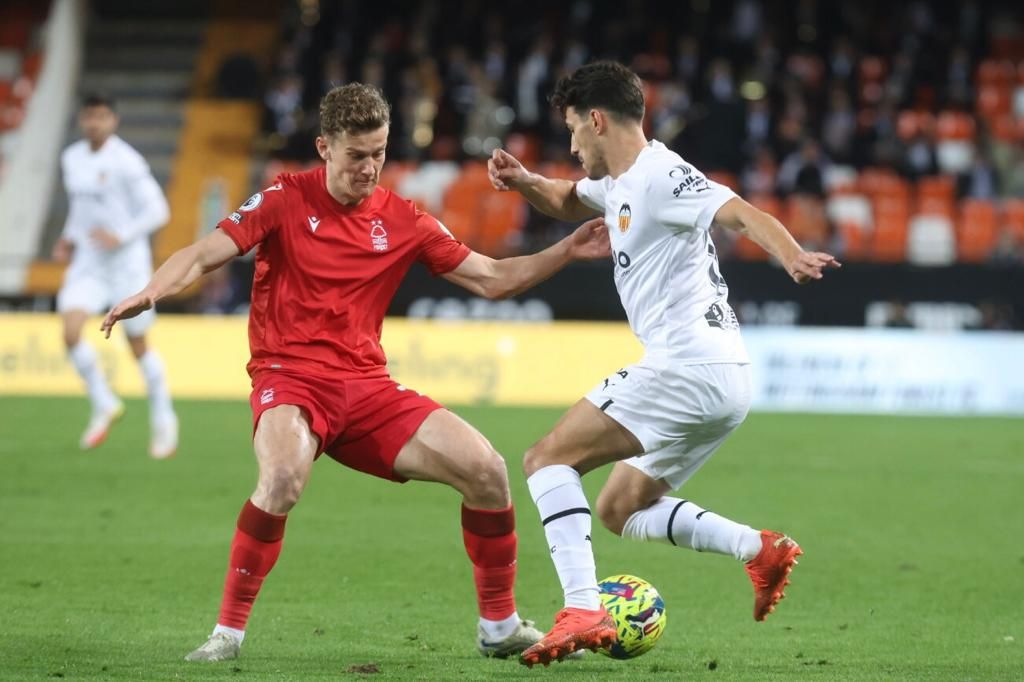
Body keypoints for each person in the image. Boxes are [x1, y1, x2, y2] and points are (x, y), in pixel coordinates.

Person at [101, 83, 610, 663]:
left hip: (367, 390)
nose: (369, 168)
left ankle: (498, 625)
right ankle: (227, 634)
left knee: (488, 471)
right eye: (356, 156)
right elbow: (202, 253)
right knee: (283, 478)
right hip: (288, 377)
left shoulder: (404, 219)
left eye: (379, 154)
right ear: (324, 147)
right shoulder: (282, 200)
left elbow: (492, 277)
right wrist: (151, 290)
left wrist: (566, 250)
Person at [487, 61, 841, 667]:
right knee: (620, 508)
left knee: (547, 459)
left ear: (597, 119)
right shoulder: (618, 183)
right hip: (723, 378)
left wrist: (791, 254)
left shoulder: (662, 176)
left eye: (574, 130)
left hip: (689, 366)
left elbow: (741, 213)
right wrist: (522, 181)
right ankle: (759, 549)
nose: (571, 146)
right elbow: (567, 199)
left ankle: (581, 607)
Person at [53, 93, 177, 458]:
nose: (95, 123)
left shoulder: (127, 162)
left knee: (137, 344)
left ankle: (164, 416)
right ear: (82, 120)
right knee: (71, 331)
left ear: (113, 121)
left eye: (102, 117)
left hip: (126, 264)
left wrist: (120, 235)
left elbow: (159, 210)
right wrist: (68, 238)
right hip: (89, 261)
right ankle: (104, 402)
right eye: (90, 117)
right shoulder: (71, 158)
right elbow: (81, 208)